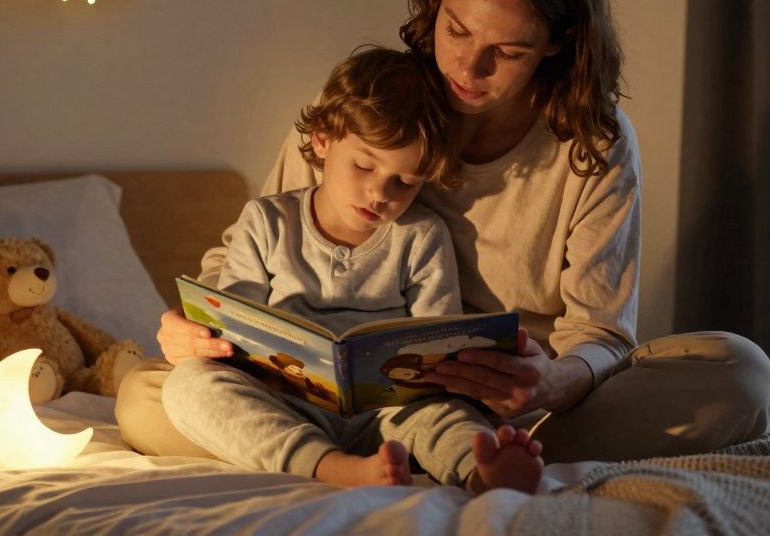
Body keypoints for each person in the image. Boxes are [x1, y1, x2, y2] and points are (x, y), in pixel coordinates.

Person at [118, 0, 770, 465]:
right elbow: (253, 246)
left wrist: (551, 384)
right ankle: (364, 450)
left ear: (556, 44)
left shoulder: (593, 145)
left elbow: (602, 335)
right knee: (143, 398)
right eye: (455, 29)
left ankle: (456, 451)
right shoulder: (365, 108)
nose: (469, 64)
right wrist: (193, 330)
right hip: (313, 394)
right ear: (433, 4)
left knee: (739, 373)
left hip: (514, 404)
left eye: (509, 51)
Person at [162, 45, 545, 493]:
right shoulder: (265, 221)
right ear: (323, 139)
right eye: (364, 165)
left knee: (446, 416)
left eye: (405, 182)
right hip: (285, 402)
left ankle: (483, 470)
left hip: (390, 412)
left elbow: (438, 337)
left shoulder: (421, 235)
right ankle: (332, 467)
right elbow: (237, 322)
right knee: (188, 386)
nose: (379, 193)